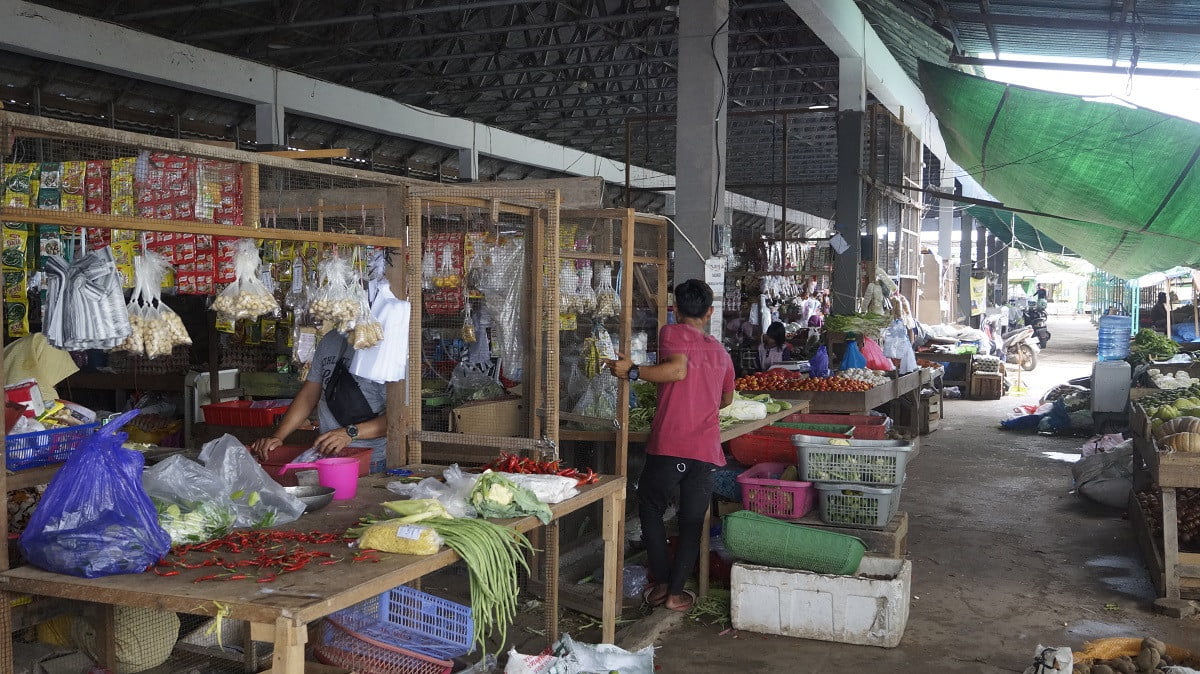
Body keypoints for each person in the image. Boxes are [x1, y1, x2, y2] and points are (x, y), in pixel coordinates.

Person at [606, 279, 734, 613]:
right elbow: (726, 399)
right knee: (692, 522)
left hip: (671, 444)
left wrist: (632, 372)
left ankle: (661, 585)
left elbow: (676, 370)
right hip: (705, 449)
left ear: (675, 308)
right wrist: (701, 400)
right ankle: (677, 594)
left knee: (650, 507)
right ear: (709, 312)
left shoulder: (672, 332)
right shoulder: (721, 352)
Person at [251, 330, 388, 467]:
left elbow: (398, 418)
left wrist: (349, 433)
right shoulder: (330, 339)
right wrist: (278, 437)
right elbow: (308, 395)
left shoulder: (383, 345)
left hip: (370, 460)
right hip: (327, 456)